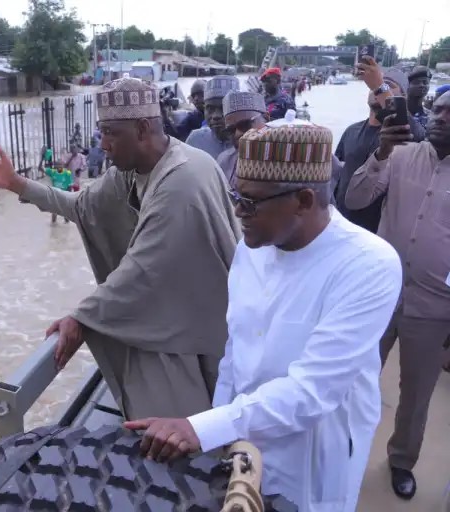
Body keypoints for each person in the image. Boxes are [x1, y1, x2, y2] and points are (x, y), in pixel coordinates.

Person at [126, 121, 403, 512]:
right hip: (242, 436)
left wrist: (202, 428)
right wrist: (218, 432)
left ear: (304, 200)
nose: (238, 211)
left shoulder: (368, 265)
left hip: (314, 450)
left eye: (251, 202)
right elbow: (236, 351)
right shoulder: (251, 247)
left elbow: (312, 392)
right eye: (236, 195)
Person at [0, 77, 240, 420]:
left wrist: (82, 317)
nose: (103, 145)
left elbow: (141, 270)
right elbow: (83, 207)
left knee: (200, 422)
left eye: (111, 133)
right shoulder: (132, 170)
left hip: (206, 322)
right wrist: (16, 183)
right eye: (102, 132)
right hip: (179, 306)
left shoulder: (181, 181)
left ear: (141, 129)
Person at [344, 91, 450, 501]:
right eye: (437, 110)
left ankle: (402, 460)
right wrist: (381, 153)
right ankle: (346, 446)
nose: (440, 118)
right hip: (381, 297)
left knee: (416, 394)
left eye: (449, 113)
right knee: (357, 379)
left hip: (434, 307)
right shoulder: (401, 155)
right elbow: (355, 199)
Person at [334, 67, 425, 233]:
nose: (376, 90)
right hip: (343, 222)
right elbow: (337, 174)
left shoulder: (404, 132)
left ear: (402, 97)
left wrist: (379, 86)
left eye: (388, 85)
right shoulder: (351, 130)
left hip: (380, 228)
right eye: (375, 86)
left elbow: (413, 131)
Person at [216, 90, 268, 188]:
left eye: (244, 125)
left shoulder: (286, 159)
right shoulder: (224, 161)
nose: (237, 134)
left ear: (266, 118)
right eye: (231, 130)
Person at [185, 76, 239, 159]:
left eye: (223, 107)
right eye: (210, 108)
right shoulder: (195, 140)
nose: (216, 116)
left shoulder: (248, 142)